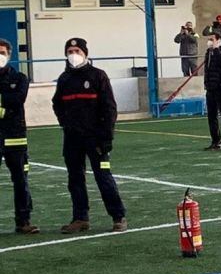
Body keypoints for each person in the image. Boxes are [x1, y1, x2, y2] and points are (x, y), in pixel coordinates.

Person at [52, 38, 126, 233]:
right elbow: (57, 103)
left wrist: (107, 136)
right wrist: (65, 123)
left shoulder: (98, 76)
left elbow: (110, 108)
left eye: (76, 50)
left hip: (96, 138)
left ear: (85, 52)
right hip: (72, 139)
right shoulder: (64, 79)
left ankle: (118, 217)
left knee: (103, 177)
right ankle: (80, 218)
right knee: (75, 179)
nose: (73, 54)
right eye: (69, 50)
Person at [0, 39, 37, 234]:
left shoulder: (20, 78)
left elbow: (17, 100)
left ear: (9, 55)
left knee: (21, 179)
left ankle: (23, 221)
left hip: (15, 136)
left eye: (2, 52)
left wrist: (7, 103)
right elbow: (10, 101)